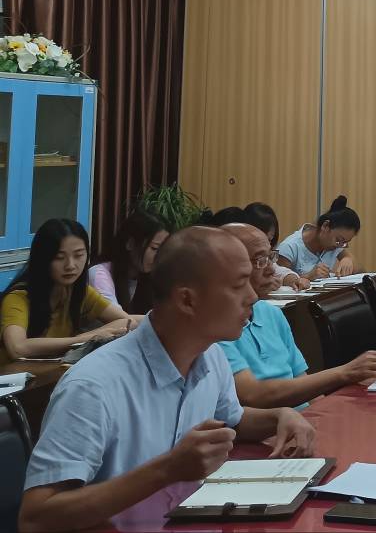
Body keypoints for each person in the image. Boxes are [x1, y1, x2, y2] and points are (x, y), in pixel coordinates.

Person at [18, 227, 316, 533]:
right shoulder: (93, 386)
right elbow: (36, 518)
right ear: (187, 300)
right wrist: (167, 469)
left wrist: (278, 417)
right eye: (239, 285)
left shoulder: (210, 355)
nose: (252, 296)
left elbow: (232, 423)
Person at [217, 223, 376, 408]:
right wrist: (345, 373)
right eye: (260, 260)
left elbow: (303, 384)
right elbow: (252, 395)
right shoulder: (219, 327)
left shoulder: (271, 313)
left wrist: (325, 414)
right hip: (273, 424)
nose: (272, 269)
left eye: (271, 257)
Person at [1, 219, 135, 366]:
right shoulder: (18, 297)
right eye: (59, 257)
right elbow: (17, 348)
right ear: (42, 259)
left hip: (50, 373)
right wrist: (84, 339)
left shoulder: (80, 292)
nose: (70, 265)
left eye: (78, 255)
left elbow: (128, 321)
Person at [86, 212, 169, 313]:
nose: (159, 256)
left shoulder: (147, 278)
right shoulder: (99, 274)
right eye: (154, 248)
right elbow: (116, 318)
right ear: (130, 244)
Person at [276, 196, 359, 280]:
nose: (340, 246)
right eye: (339, 240)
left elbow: (353, 263)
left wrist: (348, 259)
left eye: (344, 242)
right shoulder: (289, 247)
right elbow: (279, 280)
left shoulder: (334, 245)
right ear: (325, 226)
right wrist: (308, 276)